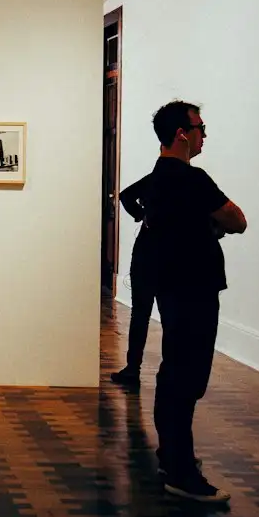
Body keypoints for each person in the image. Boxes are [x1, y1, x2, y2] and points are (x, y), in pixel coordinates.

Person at [140, 100, 246, 503]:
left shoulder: (157, 178)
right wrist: (215, 224)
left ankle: (173, 456)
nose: (204, 135)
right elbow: (237, 219)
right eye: (200, 127)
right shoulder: (193, 178)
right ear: (182, 134)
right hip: (194, 286)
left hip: (169, 285)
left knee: (174, 371)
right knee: (187, 375)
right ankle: (181, 472)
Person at [109, 166, 156, 388]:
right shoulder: (177, 180)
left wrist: (142, 216)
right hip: (156, 255)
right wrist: (141, 216)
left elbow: (125, 196)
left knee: (140, 314)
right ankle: (134, 369)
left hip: (147, 254)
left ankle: (133, 369)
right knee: (149, 315)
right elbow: (125, 196)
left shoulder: (154, 179)